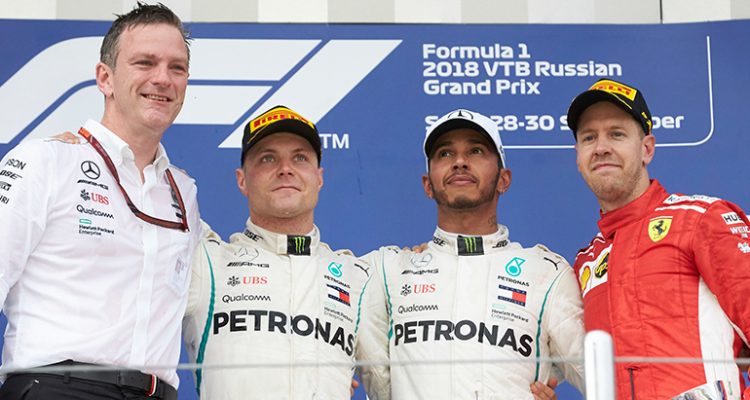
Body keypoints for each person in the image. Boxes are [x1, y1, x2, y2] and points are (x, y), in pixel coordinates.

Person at [0, 3, 200, 400]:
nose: (163, 78)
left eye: (176, 68)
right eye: (145, 63)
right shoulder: (44, 161)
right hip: (57, 388)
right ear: (105, 78)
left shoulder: (183, 190)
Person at [360, 109, 585, 399]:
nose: (460, 162)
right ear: (427, 184)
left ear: (504, 179)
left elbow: (600, 375)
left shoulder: (546, 272)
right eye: (445, 153)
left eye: (476, 151)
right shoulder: (386, 270)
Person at [181, 105, 390, 399]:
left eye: (300, 158)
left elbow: (391, 387)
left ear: (319, 177)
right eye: (268, 158)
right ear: (242, 180)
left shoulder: (358, 278)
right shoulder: (206, 262)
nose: (285, 169)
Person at [567, 78, 750, 399]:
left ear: (647, 149)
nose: (601, 147)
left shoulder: (701, 219)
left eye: (617, 134)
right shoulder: (585, 263)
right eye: (589, 137)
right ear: (578, 158)